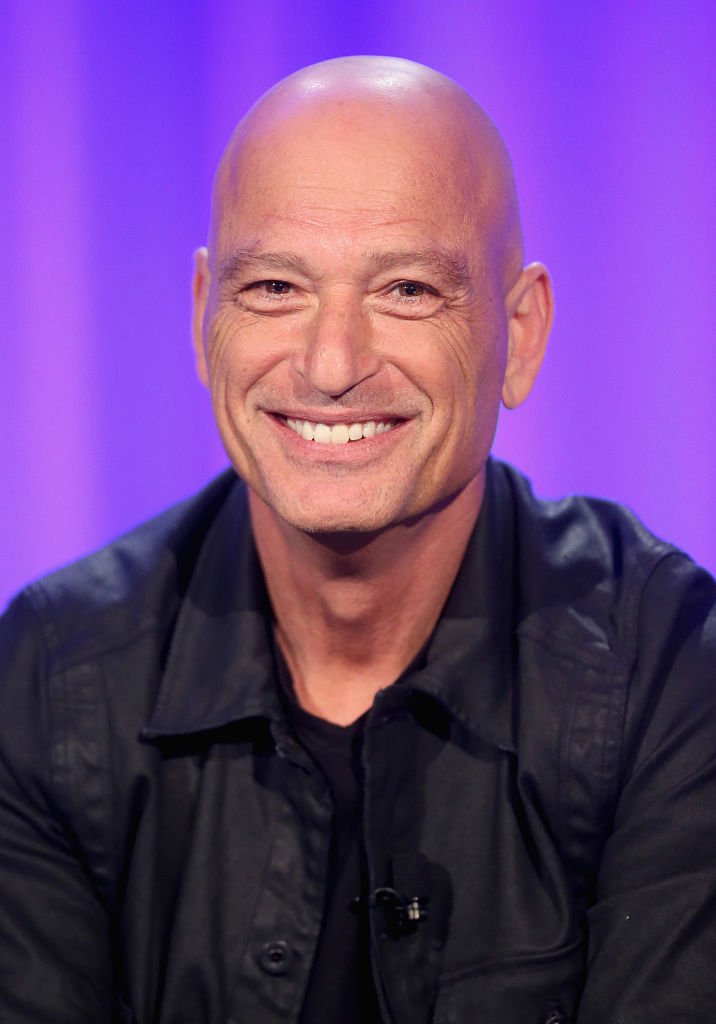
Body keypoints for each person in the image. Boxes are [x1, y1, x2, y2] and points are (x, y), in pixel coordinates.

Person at [1, 55, 714, 1024]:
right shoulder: (52, 675)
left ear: (521, 332)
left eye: (409, 289)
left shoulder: (668, 670)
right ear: (203, 312)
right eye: (275, 289)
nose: (331, 363)